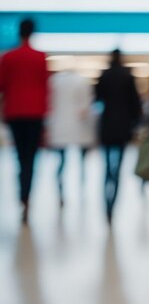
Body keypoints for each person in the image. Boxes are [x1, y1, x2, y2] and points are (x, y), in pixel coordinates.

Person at [0, 18, 49, 223]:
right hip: (35, 113)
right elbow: (46, 89)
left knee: (20, 156)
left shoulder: (8, 57)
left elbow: (2, 86)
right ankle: (26, 197)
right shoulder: (40, 58)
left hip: (15, 113)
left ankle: (22, 195)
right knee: (30, 158)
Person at [95, 49, 141, 223]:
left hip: (107, 125)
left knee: (106, 167)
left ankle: (106, 205)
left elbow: (97, 98)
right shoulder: (127, 76)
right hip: (123, 126)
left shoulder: (104, 75)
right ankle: (113, 203)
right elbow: (135, 104)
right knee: (119, 167)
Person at [48, 67, 97, 205]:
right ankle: (81, 188)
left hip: (60, 126)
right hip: (78, 126)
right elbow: (86, 105)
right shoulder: (81, 82)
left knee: (61, 162)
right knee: (81, 162)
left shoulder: (54, 81)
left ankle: (61, 191)